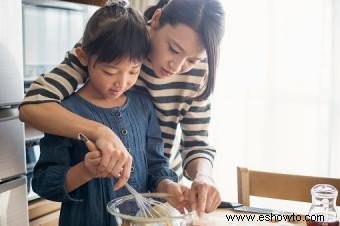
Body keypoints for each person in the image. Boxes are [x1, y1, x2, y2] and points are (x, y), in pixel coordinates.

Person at [20, 0, 225, 216]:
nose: (177, 66)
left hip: (158, 197)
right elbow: (34, 104)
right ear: (156, 20)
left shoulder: (197, 71)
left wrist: (204, 177)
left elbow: (194, 144)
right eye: (173, 49)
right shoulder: (114, 37)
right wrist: (100, 132)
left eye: (192, 59)